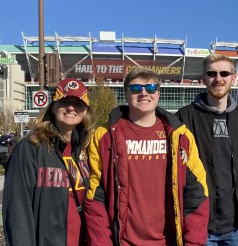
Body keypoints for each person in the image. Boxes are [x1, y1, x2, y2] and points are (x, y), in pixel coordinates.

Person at [85, 68, 209, 246]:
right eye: (136, 88)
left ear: (158, 93)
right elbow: (95, 196)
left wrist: (194, 243)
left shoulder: (180, 136)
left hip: (168, 242)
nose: (144, 93)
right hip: (123, 241)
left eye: (150, 88)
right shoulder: (104, 135)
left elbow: (197, 192)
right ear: (126, 94)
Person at [176, 54, 238, 245]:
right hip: (199, 224)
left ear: (233, 77)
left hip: (236, 226)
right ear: (204, 78)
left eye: (224, 73)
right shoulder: (185, 117)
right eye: (212, 73)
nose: (218, 79)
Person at [2, 78, 96, 246]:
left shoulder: (84, 148)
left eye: (78, 104)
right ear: (53, 106)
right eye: (64, 101)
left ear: (85, 111)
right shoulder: (31, 148)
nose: (71, 108)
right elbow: (17, 212)